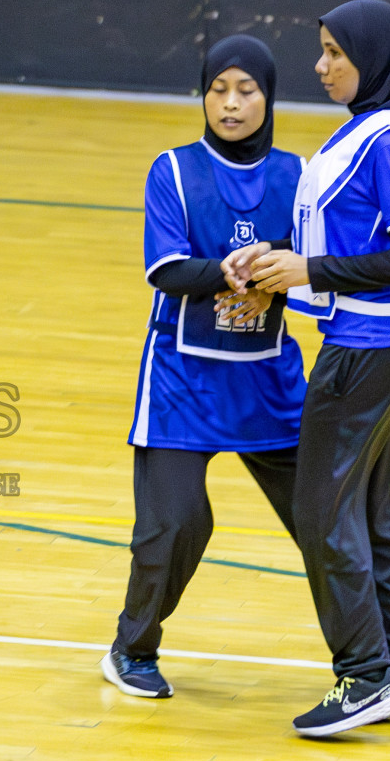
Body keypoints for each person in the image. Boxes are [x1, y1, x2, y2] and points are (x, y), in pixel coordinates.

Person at [222, 0, 390, 738]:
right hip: (379, 342)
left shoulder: (388, 139)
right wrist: (276, 260)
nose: (321, 65)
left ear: (376, 57)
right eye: (321, 50)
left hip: (369, 349)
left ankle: (365, 675)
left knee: (321, 509)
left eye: (335, 52)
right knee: (368, 503)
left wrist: (307, 270)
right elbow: (339, 236)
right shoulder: (362, 129)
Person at [102, 35, 307, 700]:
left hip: (268, 381)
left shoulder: (298, 176)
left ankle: (382, 653)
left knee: (328, 520)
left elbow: (321, 271)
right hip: (182, 384)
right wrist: (222, 271)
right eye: (219, 89)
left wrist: (288, 275)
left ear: (269, 98)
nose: (231, 103)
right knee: (177, 524)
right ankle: (133, 648)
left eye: (246, 90)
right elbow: (162, 268)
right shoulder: (173, 169)